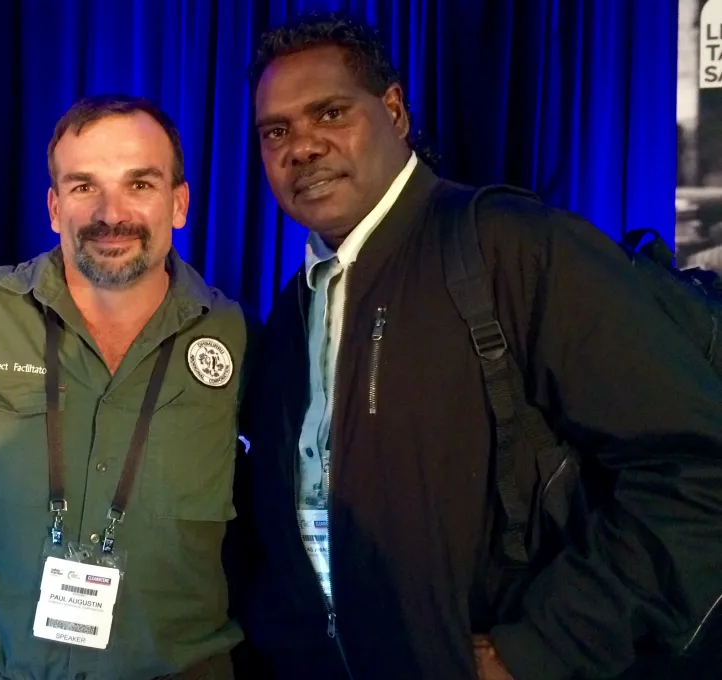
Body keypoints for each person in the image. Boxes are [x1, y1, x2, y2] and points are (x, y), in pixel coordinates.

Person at [238, 11, 722, 680]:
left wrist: (544, 649)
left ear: (395, 112)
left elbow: (696, 469)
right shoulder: (292, 311)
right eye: (276, 131)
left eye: (329, 113)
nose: (303, 146)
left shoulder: (513, 248)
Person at [0, 95, 250, 680]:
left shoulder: (240, 340)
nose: (110, 213)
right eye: (84, 186)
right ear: (55, 206)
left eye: (139, 184)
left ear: (180, 203)